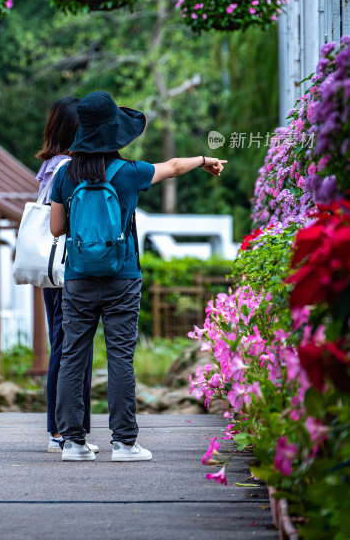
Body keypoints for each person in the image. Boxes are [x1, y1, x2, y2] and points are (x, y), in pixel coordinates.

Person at [50, 90, 227, 462]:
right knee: (120, 357)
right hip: (122, 277)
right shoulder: (130, 173)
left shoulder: (66, 174)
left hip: (79, 277)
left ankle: (73, 443)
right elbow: (175, 165)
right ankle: (124, 443)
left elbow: (55, 229)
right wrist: (206, 159)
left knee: (73, 357)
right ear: (116, 134)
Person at [35, 96, 97, 454]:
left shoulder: (53, 165)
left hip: (53, 269)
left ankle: (66, 429)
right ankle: (62, 431)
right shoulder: (64, 169)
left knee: (65, 343)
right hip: (65, 268)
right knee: (68, 345)